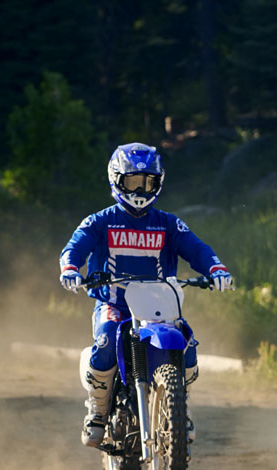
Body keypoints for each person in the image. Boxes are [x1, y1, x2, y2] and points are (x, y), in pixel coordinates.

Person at [58, 143, 233, 448]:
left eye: (147, 182)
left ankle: (179, 407)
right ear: (116, 180)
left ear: (159, 182)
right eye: (132, 181)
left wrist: (216, 269)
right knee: (106, 341)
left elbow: (198, 249)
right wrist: (71, 268)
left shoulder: (168, 224)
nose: (140, 189)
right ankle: (97, 410)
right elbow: (75, 246)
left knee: (187, 344)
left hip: (158, 306)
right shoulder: (100, 221)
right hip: (114, 303)